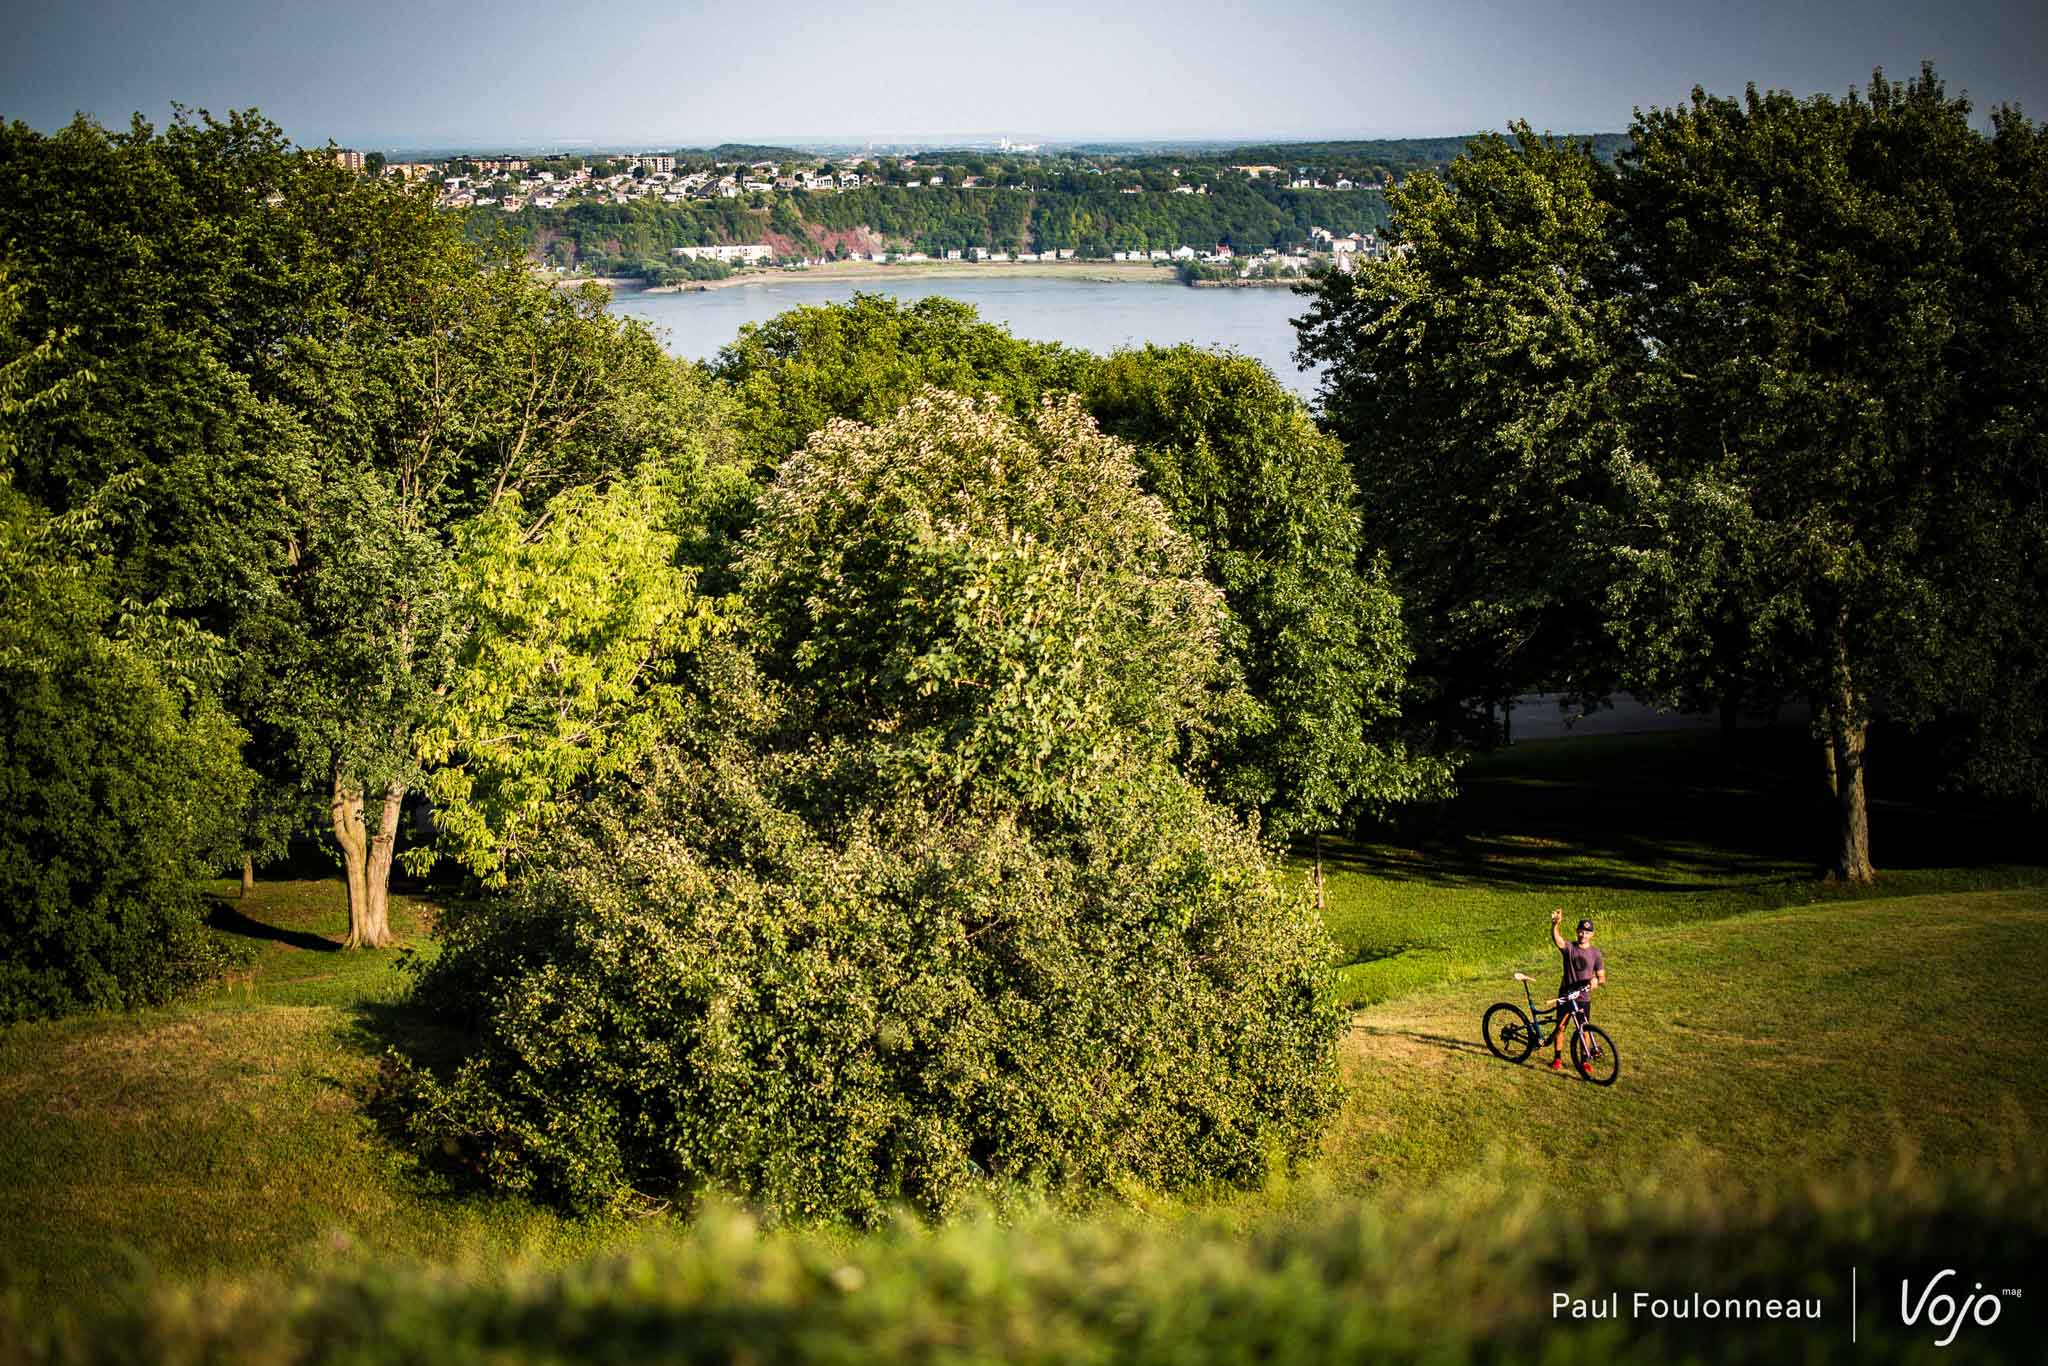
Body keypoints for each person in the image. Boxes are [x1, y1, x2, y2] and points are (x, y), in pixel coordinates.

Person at [1548, 908, 1606, 1074]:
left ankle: (1584, 1060)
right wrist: (1555, 925)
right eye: (1581, 931)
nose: (1583, 935)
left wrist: (1596, 980)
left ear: (1592, 934)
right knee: (1560, 1027)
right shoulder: (1570, 948)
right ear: (1577, 932)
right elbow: (1557, 940)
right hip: (1565, 995)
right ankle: (1557, 1058)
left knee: (1584, 1029)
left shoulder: (1596, 954)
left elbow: (1602, 977)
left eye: (1587, 932)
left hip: (1583, 998)